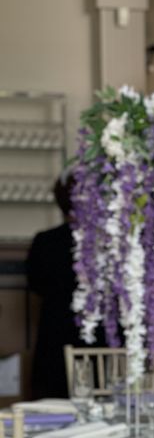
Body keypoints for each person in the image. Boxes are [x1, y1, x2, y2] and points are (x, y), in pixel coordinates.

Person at [26, 171, 88, 398]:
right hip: (98, 337)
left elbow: (36, 285)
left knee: (53, 396)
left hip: (55, 333)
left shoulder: (45, 241)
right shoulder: (104, 241)